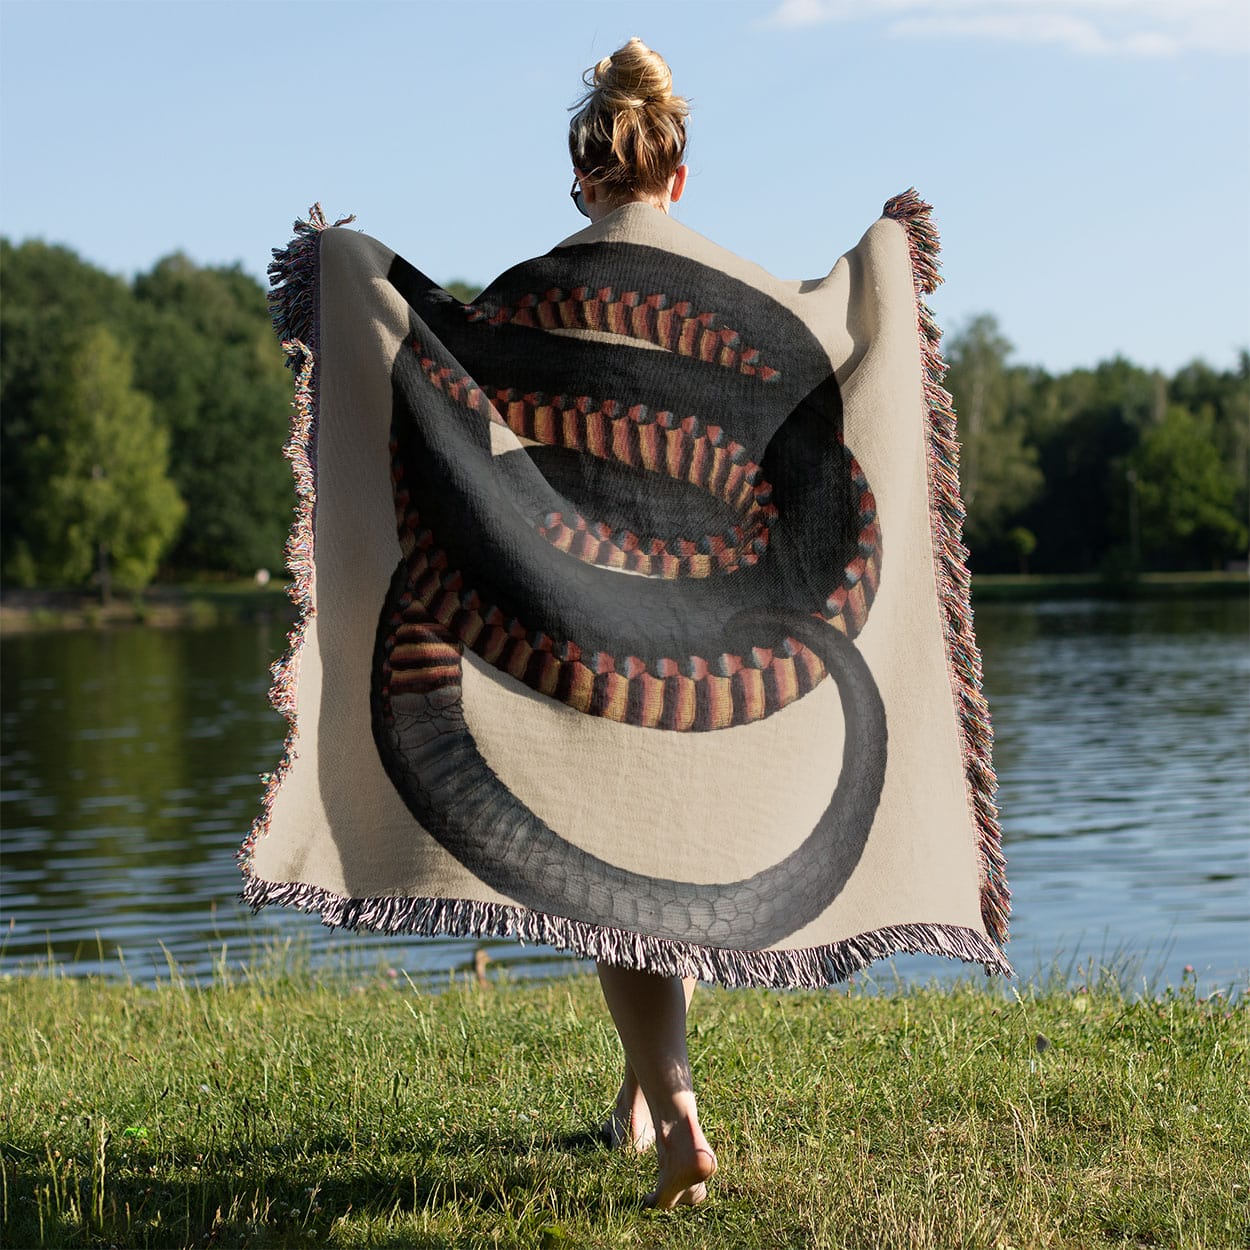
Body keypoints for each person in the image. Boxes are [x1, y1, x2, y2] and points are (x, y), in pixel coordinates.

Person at [566, 37, 717, 1212]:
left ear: (583, 179)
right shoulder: (732, 293)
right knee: (656, 872)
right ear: (676, 174)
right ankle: (633, 1099)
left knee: (612, 886)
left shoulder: (542, 288)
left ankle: (676, 1116)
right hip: (710, 627)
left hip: (585, 622)